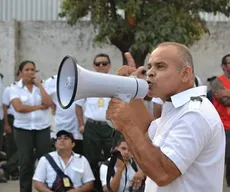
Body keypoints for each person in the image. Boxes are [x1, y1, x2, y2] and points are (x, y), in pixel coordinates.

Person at [106, 42, 225, 192]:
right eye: (149, 67)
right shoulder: (178, 108)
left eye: (160, 66)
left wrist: (126, 125)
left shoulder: (194, 114)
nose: (150, 73)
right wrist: (132, 88)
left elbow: (162, 173)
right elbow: (147, 135)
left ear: (185, 74)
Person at [9, 60, 53, 192]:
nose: (30, 72)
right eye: (27, 70)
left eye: (32, 69)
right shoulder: (14, 88)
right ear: (21, 72)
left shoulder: (41, 86)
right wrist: (39, 106)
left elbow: (48, 102)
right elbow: (19, 108)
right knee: (25, 162)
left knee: (45, 160)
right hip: (23, 129)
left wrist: (40, 85)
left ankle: (47, 189)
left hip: (42, 128)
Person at [76, 53, 114, 191]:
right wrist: (81, 124)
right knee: (90, 160)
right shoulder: (87, 82)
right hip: (92, 126)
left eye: (104, 63)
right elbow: (78, 105)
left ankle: (109, 187)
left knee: (111, 159)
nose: (101, 66)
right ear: (94, 66)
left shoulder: (115, 82)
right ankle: (93, 189)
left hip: (110, 126)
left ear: (109, 66)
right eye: (98, 64)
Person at [44, 75, 83, 154]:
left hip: (76, 125)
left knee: (76, 153)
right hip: (60, 122)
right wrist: (52, 106)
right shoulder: (52, 80)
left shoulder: (81, 78)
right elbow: (46, 96)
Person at [210, 54, 230, 186]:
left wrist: (228, 91)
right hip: (224, 129)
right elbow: (225, 101)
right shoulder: (217, 82)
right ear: (223, 66)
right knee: (220, 163)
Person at [1, 70, 21, 180]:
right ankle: (12, 172)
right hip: (12, 119)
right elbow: (4, 107)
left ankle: (8, 167)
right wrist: (6, 124)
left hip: (24, 120)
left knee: (25, 147)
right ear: (18, 75)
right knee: (12, 147)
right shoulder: (10, 88)